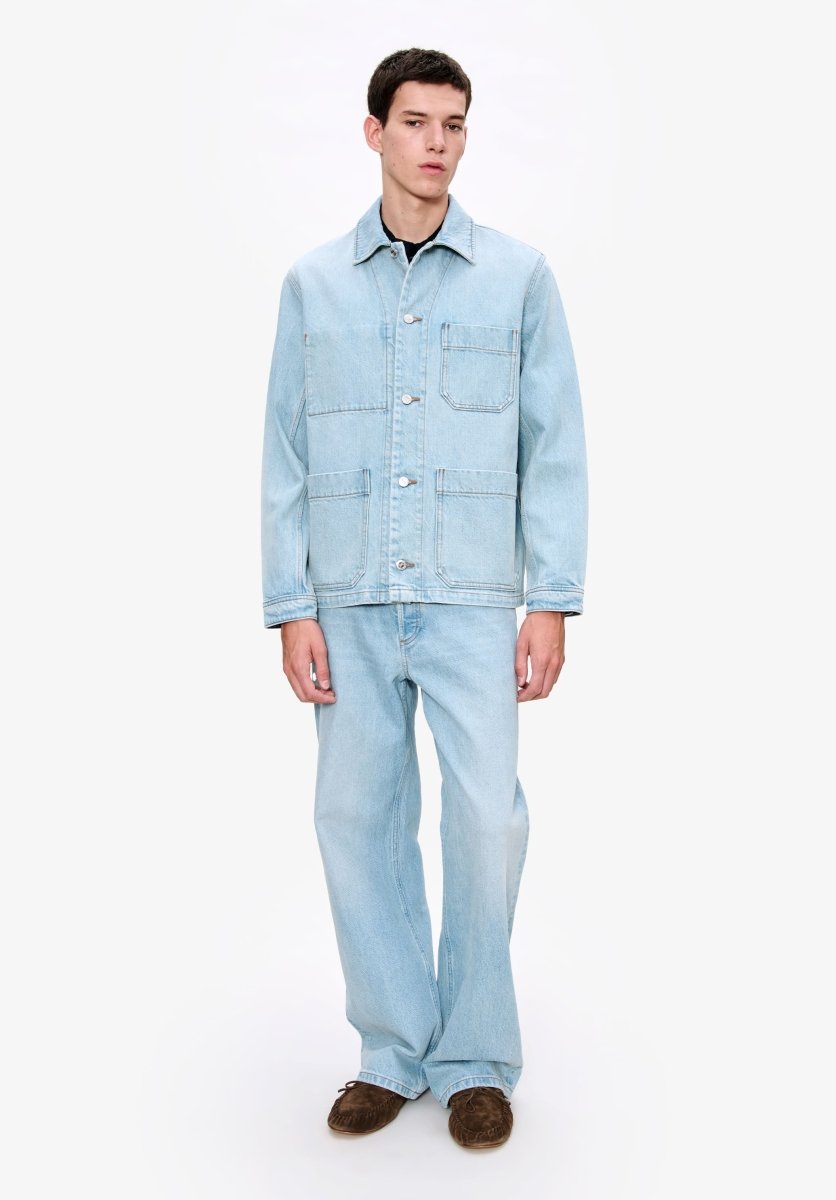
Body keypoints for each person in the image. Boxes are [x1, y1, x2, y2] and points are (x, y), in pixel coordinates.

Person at [260, 47, 588, 1149]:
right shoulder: (313, 285)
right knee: (356, 819)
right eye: (414, 122)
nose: (435, 142)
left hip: (472, 599)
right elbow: (284, 454)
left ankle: (477, 1057)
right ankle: (393, 1049)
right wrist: (290, 605)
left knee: (486, 821)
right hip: (347, 600)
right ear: (374, 133)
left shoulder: (518, 277)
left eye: (452, 123)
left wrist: (549, 599)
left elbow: (553, 446)